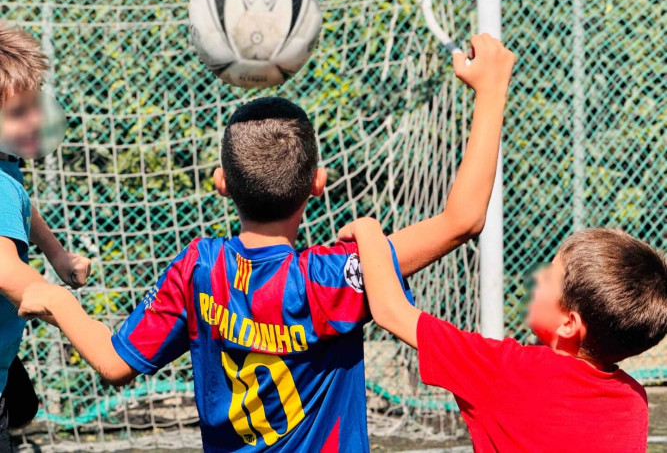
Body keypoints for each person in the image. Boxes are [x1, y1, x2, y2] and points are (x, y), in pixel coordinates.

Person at [18, 34, 515, 451]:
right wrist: (491, 90)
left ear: (221, 183)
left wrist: (59, 301)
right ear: (318, 184)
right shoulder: (333, 277)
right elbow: (462, 221)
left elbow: (112, 363)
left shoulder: (199, 267)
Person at [340, 217, 667, 452]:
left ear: (569, 323)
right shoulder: (634, 403)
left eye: (550, 276)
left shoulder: (506, 370)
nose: (537, 277)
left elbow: (390, 311)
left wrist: (368, 231)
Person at [0, 22, 91, 451]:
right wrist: (70, 313)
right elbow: (5, 271)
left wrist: (57, 254)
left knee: (23, 405)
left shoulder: (7, 166)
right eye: (19, 112)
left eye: (35, 104)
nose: (36, 119)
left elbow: (20, 209)